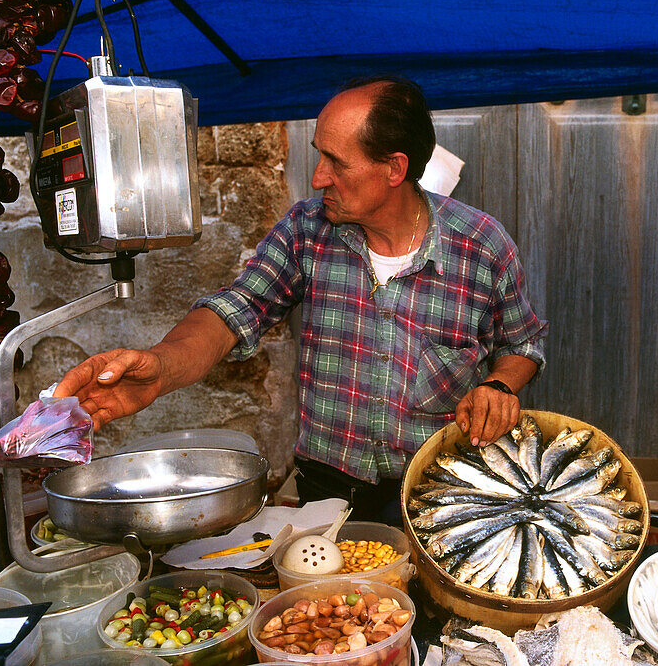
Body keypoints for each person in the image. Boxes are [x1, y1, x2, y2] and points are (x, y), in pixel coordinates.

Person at [53, 76, 547, 521]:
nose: (317, 177)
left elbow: (521, 346)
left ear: (394, 168)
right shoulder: (306, 232)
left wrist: (500, 388)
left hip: (440, 490)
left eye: (336, 161)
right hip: (329, 490)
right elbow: (232, 313)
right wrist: (159, 369)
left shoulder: (481, 245)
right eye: (318, 154)